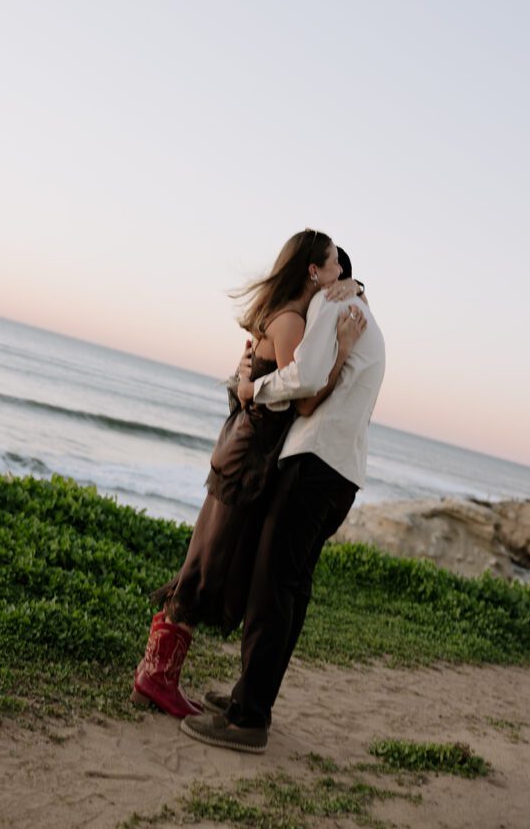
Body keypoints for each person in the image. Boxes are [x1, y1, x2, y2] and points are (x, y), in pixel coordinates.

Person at [131, 230, 366, 719]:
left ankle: (157, 677)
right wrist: (342, 350)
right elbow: (303, 399)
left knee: (209, 560)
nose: (339, 275)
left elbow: (260, 386)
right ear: (313, 271)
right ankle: (155, 678)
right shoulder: (290, 322)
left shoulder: (284, 316)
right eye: (333, 267)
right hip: (247, 458)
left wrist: (356, 289)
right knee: (206, 564)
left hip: (245, 452)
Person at [179, 247, 385, 752]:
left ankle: (249, 720)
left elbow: (306, 381)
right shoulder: (360, 309)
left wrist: (253, 388)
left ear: (327, 272)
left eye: (334, 267)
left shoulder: (332, 304)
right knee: (290, 591)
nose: (328, 276)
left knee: (271, 591)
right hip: (343, 474)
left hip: (313, 465)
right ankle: (252, 700)